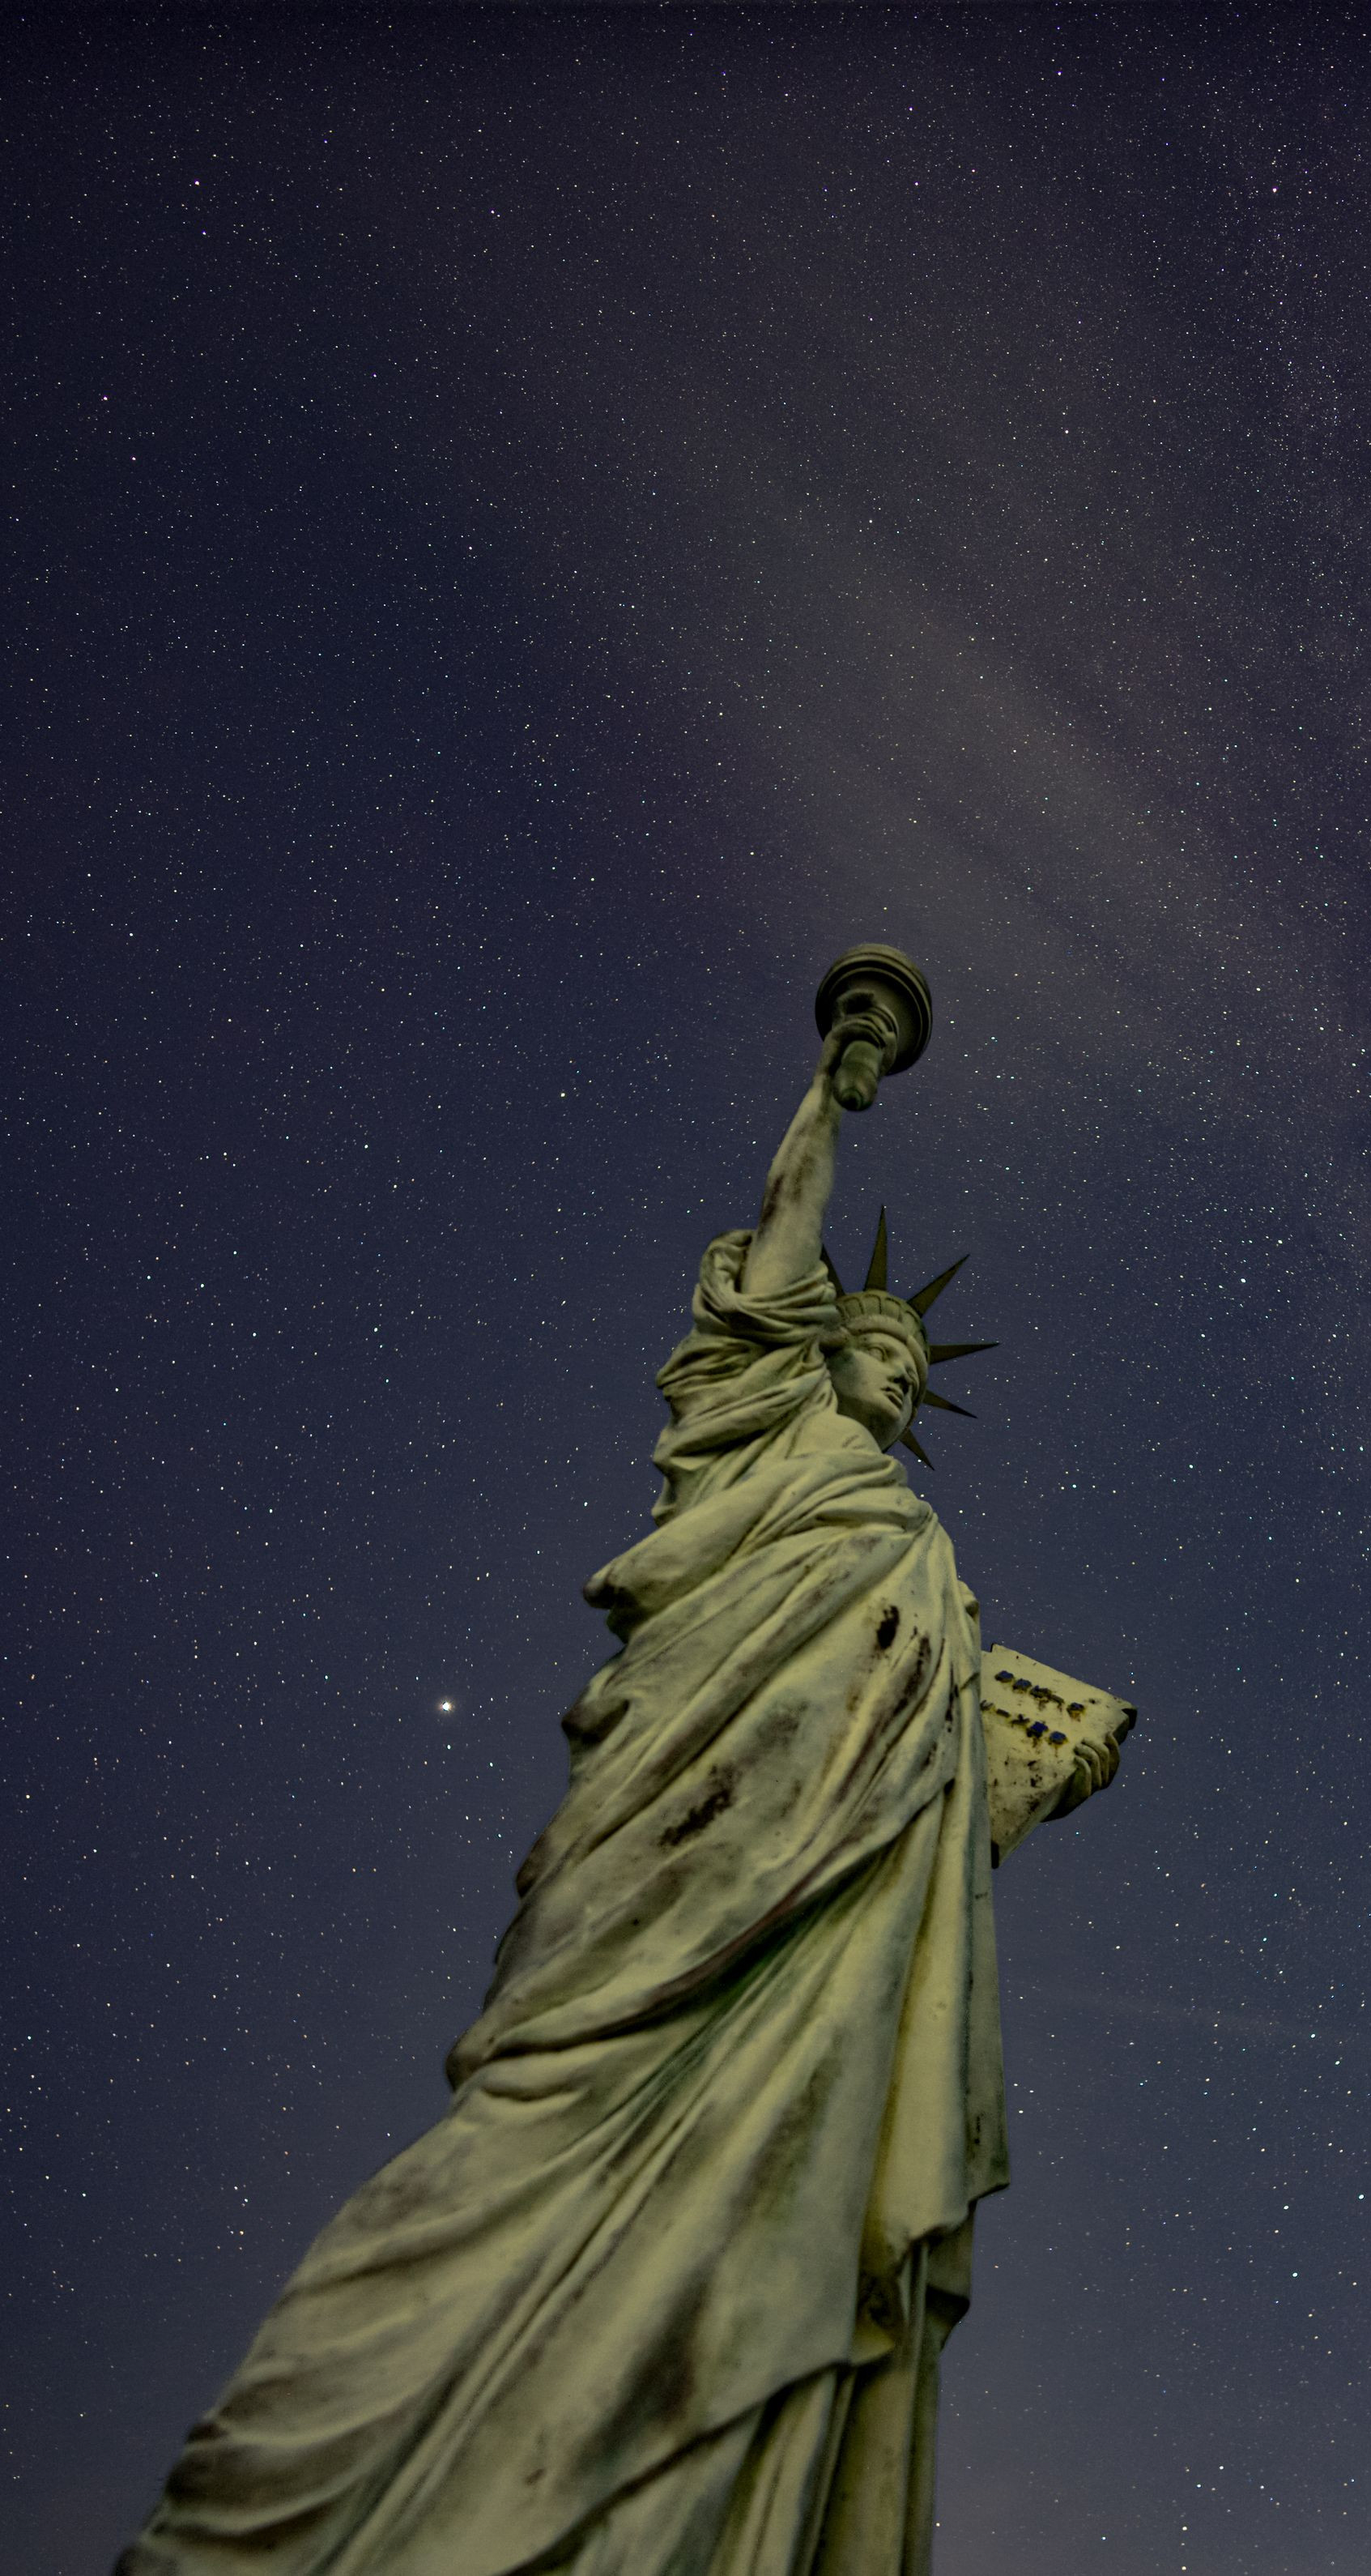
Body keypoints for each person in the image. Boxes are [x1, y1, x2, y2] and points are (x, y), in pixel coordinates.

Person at [121, 1006, 1007, 2576]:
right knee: (546, 2103)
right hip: (679, 1818)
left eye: (911, 1364)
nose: (895, 1368)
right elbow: (778, 1250)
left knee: (779, 2191)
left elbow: (931, 1777)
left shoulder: (926, 1556)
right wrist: (831, 1093)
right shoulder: (763, 1434)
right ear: (816, 1351)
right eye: (876, 1344)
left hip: (841, 1898)